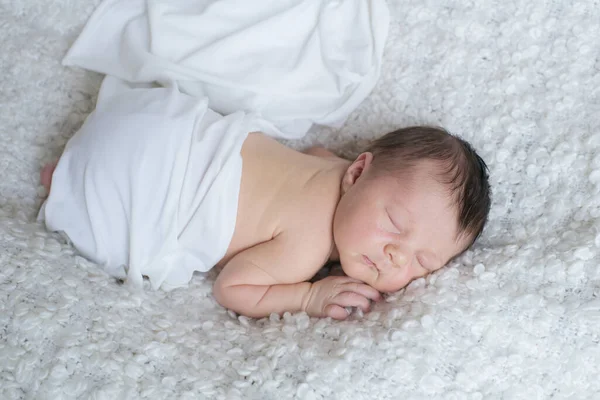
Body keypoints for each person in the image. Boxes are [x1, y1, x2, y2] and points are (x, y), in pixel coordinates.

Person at [39, 85, 490, 320]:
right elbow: (232, 288)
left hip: (155, 123)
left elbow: (311, 159)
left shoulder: (327, 164)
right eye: (394, 223)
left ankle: (75, 166)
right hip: (149, 185)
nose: (395, 256)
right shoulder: (307, 246)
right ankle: (69, 184)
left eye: (422, 262)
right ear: (356, 172)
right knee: (126, 232)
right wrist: (309, 297)